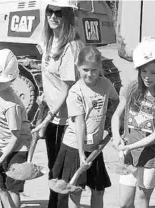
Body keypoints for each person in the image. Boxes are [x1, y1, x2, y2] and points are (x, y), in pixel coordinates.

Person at [31, 1, 84, 207]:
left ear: (68, 15)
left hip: (64, 117)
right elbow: (51, 77)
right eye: (50, 11)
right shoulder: (51, 39)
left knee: (60, 170)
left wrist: (49, 116)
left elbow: (67, 88)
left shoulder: (70, 46)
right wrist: (44, 95)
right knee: (53, 165)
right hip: (52, 112)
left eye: (59, 13)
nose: (53, 16)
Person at [52, 46, 118, 208]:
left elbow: (117, 101)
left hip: (95, 147)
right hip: (75, 147)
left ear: (100, 69)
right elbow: (80, 124)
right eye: (85, 70)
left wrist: (114, 123)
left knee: (98, 189)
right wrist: (81, 153)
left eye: (94, 70)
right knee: (76, 191)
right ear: (78, 67)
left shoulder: (106, 84)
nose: (90, 74)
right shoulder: (76, 92)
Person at [112, 41, 155, 208]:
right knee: (124, 203)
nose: (147, 76)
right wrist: (117, 137)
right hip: (129, 156)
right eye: (144, 71)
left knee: (141, 201)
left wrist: (130, 147)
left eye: (153, 72)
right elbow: (117, 115)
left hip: (150, 158)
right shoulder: (132, 88)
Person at [0, 49, 32, 208]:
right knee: (0, 186)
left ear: (11, 79)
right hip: (2, 146)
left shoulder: (12, 105)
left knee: (12, 188)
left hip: (18, 148)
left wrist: (2, 157)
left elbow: (15, 136)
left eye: (0, 80)